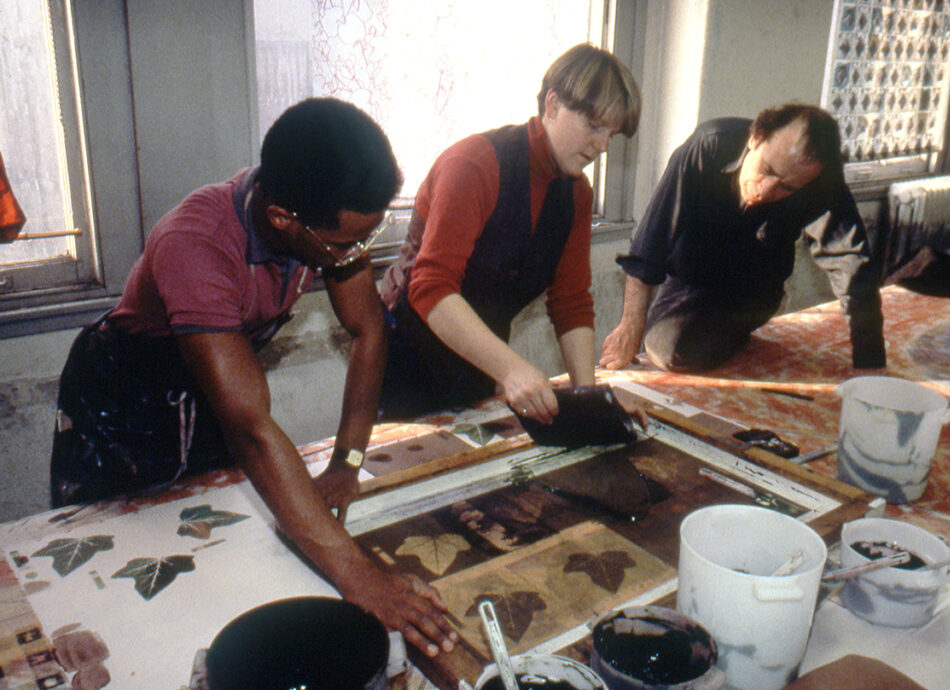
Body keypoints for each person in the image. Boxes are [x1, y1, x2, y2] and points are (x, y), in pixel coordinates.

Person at [50, 98, 457, 658]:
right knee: (111, 576)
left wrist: (347, 461)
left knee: (225, 558)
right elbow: (250, 428)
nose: (355, 256)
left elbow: (369, 331)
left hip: (207, 395)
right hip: (121, 401)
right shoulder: (195, 242)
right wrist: (361, 578)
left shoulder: (318, 221)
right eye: (344, 245)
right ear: (283, 219)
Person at [379, 43, 642, 423]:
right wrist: (512, 369)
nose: (602, 145)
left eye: (611, 134)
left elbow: (570, 301)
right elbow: (431, 287)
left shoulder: (576, 193)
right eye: (594, 126)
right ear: (552, 104)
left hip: (478, 358)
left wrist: (590, 401)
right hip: (404, 355)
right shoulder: (473, 164)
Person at [600, 104, 886, 373]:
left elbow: (851, 264)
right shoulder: (709, 146)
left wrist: (869, 360)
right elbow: (650, 243)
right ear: (755, 138)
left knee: (689, 345)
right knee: (665, 349)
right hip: (691, 281)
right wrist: (630, 326)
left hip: (754, 292)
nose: (765, 191)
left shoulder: (822, 183)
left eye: (787, 187)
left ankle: (735, 328)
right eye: (767, 170)